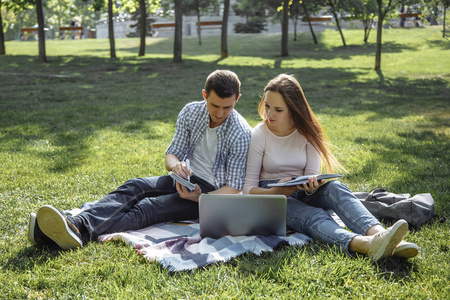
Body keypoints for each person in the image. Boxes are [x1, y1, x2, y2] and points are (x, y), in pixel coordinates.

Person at [28, 70, 252, 250]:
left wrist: (201, 197)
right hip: (186, 178)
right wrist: (176, 166)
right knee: (135, 186)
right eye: (215, 106)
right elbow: (172, 154)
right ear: (205, 95)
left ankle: (72, 228)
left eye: (228, 107)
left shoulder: (241, 132)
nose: (221, 113)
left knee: (147, 208)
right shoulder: (191, 112)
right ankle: (73, 226)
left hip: (211, 193)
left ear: (237, 100)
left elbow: (233, 187)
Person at [243, 74, 419, 261]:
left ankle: (382, 236)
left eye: (278, 110)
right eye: (267, 106)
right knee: (313, 215)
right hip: (272, 199)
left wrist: (309, 185)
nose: (269, 114)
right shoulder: (259, 134)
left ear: (293, 110)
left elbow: (311, 176)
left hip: (300, 189)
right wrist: (280, 190)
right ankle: (366, 245)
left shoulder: (308, 132)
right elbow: (248, 190)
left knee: (336, 187)